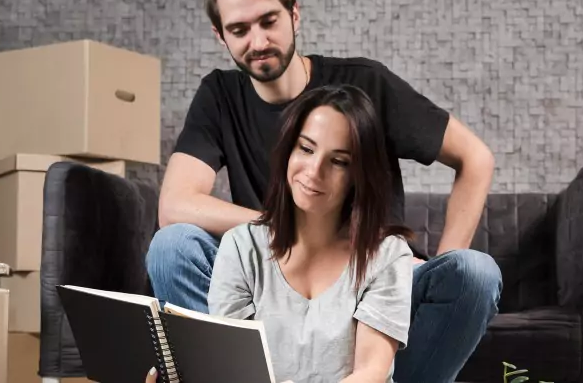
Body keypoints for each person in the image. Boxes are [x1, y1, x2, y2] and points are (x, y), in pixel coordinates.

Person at [146, 0, 502, 383]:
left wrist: (422, 263)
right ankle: (234, 373)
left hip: (371, 273)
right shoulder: (219, 95)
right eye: (239, 29)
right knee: (172, 246)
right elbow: (176, 206)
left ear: (294, 14)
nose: (258, 41)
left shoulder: (365, 84)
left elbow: (475, 158)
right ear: (220, 36)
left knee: (475, 272)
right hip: (274, 282)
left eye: (269, 21)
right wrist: (286, 229)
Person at [151, 86, 415, 382]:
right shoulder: (240, 247)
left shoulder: (388, 255)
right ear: (288, 150)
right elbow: (234, 372)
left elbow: (371, 372)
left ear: (360, 174)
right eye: (306, 148)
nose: (315, 171)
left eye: (339, 161)